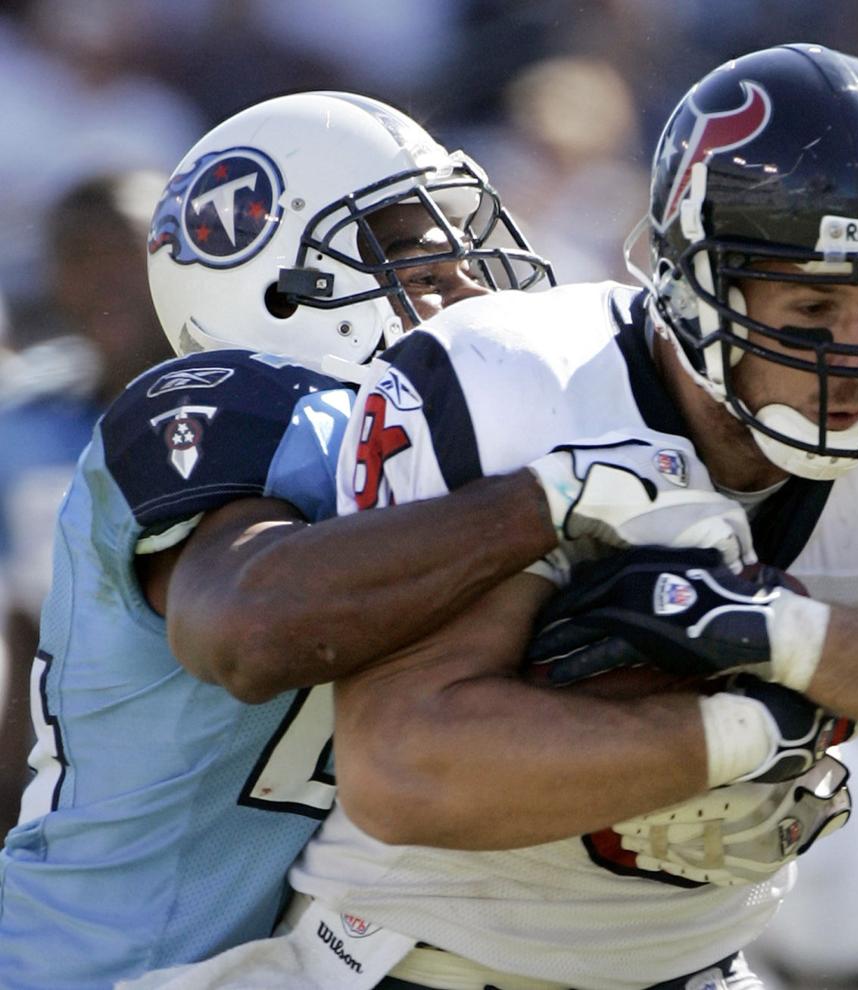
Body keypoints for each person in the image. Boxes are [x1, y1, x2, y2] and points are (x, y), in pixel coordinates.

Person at [140, 43, 858, 990]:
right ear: (692, 286)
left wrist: (783, 634)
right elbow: (405, 769)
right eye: (808, 317)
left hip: (695, 965)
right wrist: (746, 728)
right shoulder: (524, 382)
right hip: (415, 962)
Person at [0, 90, 625, 990]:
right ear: (276, 282)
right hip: (101, 970)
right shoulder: (225, 403)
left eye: (464, 254)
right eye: (418, 258)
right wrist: (555, 498)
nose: (471, 289)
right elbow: (247, 627)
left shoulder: (443, 452)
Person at [0, 170, 176, 832]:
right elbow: (24, 621)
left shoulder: (245, 414)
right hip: (73, 782)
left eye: (125, 251)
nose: (105, 278)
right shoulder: (21, 427)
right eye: (78, 255)